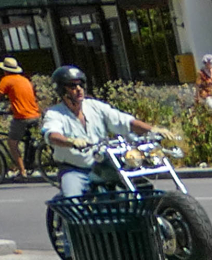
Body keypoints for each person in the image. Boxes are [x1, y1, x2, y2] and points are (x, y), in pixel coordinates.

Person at [37, 64, 160, 198]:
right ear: (61, 90)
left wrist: (153, 130)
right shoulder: (54, 113)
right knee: (71, 198)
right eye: (72, 86)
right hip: (75, 169)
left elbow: (124, 121)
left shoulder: (95, 106)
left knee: (139, 183)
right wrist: (71, 141)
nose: (79, 89)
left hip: (103, 164)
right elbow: (52, 135)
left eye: (81, 85)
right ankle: (74, 218)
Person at [0, 56, 41, 173]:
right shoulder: (25, 80)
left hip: (22, 117)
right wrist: (11, 109)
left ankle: (22, 172)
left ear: (5, 70)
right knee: (29, 140)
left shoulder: (6, 80)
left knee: (12, 143)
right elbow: (23, 98)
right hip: (35, 115)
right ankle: (30, 163)